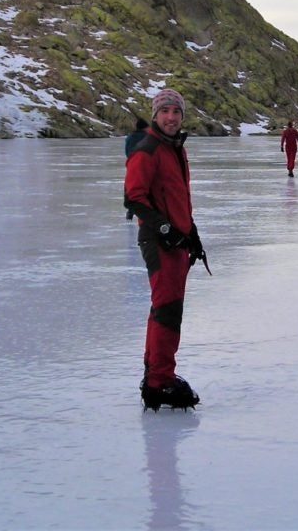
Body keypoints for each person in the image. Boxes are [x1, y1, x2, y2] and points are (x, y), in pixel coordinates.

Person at [124, 89, 204, 411]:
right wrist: (165, 229)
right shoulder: (149, 148)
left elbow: (178, 196)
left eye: (177, 111)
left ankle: (154, 373)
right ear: (156, 114)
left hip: (176, 242)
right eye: (165, 110)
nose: (171, 117)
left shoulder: (174, 148)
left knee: (164, 308)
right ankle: (160, 382)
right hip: (160, 243)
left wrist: (191, 232)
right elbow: (134, 197)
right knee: (168, 310)